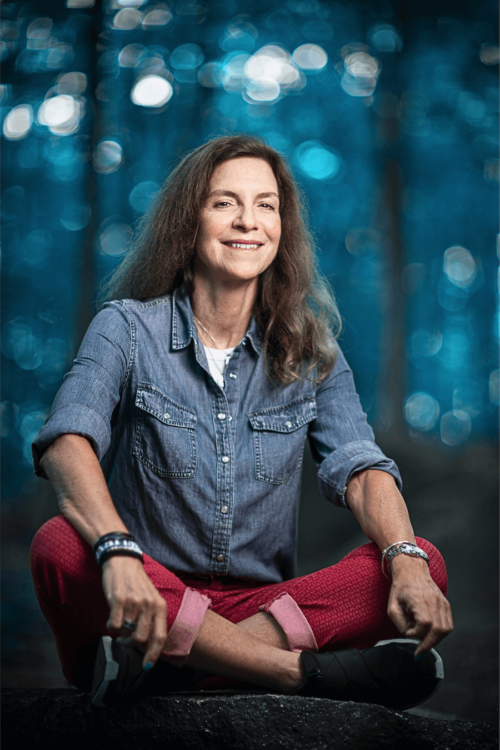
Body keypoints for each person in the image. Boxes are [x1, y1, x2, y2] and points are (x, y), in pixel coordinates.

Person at [30, 134, 453, 709]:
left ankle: (175, 669)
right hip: (141, 592)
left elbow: (361, 468)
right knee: (60, 543)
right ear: (190, 219)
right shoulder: (126, 328)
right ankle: (293, 674)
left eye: (266, 204)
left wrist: (406, 561)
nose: (248, 221)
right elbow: (67, 440)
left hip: (263, 609)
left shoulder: (312, 351)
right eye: (224, 202)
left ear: (283, 227)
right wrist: (118, 551)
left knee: (419, 559)